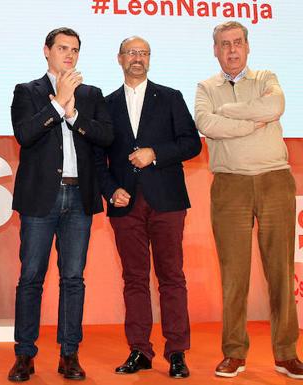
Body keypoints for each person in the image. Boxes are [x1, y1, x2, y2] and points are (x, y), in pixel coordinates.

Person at [195, 21, 302, 379]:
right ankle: (234, 353)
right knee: (234, 275)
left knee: (281, 271)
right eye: (224, 44)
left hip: (275, 181)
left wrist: (232, 113)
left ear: (247, 46)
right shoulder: (206, 88)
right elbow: (208, 125)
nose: (232, 50)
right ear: (215, 49)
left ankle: (286, 353)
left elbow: (276, 106)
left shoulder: (267, 78)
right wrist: (253, 120)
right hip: (229, 185)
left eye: (237, 42)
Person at [8, 27, 113, 381]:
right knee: (31, 278)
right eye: (63, 48)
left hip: (78, 198)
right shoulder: (27, 91)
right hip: (41, 197)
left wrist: (74, 115)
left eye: (75, 50)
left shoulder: (92, 94)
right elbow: (25, 134)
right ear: (47, 51)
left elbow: (106, 136)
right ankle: (24, 355)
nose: (69, 54)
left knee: (73, 279)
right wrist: (57, 103)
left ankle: (70, 354)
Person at [97, 36, 201, 379]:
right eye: (130, 52)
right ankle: (139, 349)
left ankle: (176, 352)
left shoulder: (170, 97)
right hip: (125, 204)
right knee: (134, 279)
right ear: (119, 58)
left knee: (172, 277)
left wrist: (155, 154)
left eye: (142, 53)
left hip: (167, 201)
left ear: (150, 59)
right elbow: (97, 158)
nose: (136, 58)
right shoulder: (105, 103)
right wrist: (112, 191)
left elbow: (191, 143)